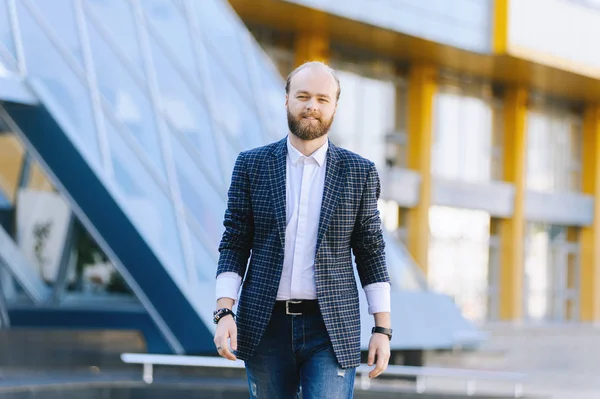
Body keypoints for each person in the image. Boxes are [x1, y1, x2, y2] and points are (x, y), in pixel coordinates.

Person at [213, 61, 392, 399]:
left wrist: (382, 328)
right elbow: (234, 241)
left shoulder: (360, 172)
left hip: (330, 327)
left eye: (323, 99)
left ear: (335, 106)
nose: (312, 106)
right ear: (287, 101)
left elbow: (370, 250)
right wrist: (224, 311)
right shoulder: (252, 165)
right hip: (265, 325)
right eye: (304, 96)